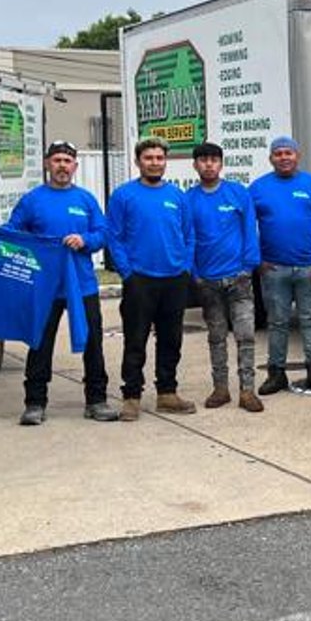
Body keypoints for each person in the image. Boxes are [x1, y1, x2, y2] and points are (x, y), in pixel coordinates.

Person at [8, 139, 119, 425]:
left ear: (75, 166)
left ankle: (97, 400)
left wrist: (85, 240)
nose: (62, 166)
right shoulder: (32, 200)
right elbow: (12, 233)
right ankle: (34, 403)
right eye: (56, 160)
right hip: (45, 286)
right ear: (47, 164)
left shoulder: (85, 200)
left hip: (82, 284)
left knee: (93, 341)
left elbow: (102, 233)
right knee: (40, 343)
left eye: (67, 162)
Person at [106, 138, 197, 418]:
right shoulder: (123, 196)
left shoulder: (178, 196)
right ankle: (131, 397)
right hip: (140, 280)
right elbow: (114, 236)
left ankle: (167, 393)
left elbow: (189, 234)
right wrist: (127, 272)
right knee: (135, 340)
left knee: (171, 339)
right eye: (149, 158)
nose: (155, 162)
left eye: (159, 158)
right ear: (138, 162)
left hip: (174, 279)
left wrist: (185, 268)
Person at [249, 135, 311, 395]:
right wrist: (257, 259)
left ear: (298, 156)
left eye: (289, 153)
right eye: (278, 153)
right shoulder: (258, 188)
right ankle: (276, 374)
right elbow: (245, 227)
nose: (284, 157)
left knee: (310, 320)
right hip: (274, 269)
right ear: (271, 158)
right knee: (277, 322)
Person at [185, 142, 263, 413]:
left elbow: (250, 230)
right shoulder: (189, 199)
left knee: (245, 335)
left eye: (214, 160)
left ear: (221, 164)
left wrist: (248, 266)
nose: (209, 164)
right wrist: (194, 273)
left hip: (238, 278)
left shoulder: (237, 193)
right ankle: (220, 388)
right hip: (207, 280)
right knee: (216, 335)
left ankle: (248, 390)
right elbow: (187, 238)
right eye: (203, 160)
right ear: (195, 165)